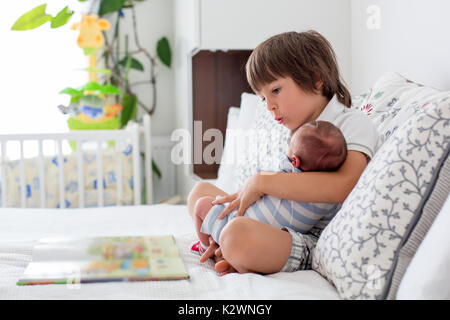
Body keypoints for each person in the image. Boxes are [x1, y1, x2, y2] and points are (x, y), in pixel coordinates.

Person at [187, 30, 381, 275]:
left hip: (307, 237)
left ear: (315, 78)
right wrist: (246, 196)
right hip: (271, 220)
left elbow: (344, 185)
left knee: (237, 236)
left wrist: (262, 182)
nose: (269, 106)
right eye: (262, 98)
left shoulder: (351, 123)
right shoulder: (296, 132)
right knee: (201, 192)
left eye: (275, 90)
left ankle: (229, 247)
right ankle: (222, 248)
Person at [190, 120, 347, 254]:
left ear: (295, 161)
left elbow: (257, 177)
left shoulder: (285, 169)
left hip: (235, 223)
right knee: (201, 190)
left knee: (201, 205)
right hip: (261, 240)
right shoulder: (329, 199)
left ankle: (206, 246)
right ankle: (223, 250)